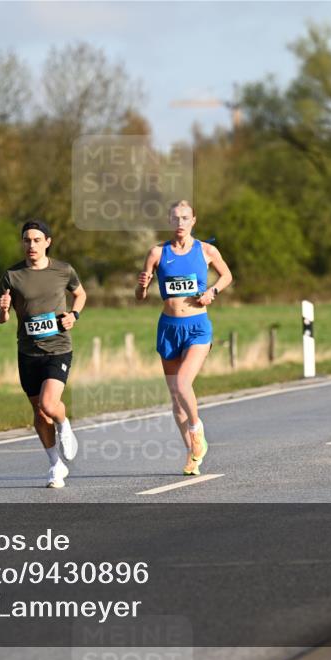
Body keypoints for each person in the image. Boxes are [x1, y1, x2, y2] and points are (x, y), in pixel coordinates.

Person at [135, 200, 233, 476]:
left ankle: (195, 427)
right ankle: (193, 453)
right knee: (175, 398)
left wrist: (212, 292)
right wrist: (141, 287)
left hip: (197, 326)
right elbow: (140, 296)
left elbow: (226, 275)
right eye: (175, 218)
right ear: (169, 221)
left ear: (193, 221)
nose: (180, 223)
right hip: (168, 327)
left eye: (185, 218)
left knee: (182, 382)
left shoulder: (206, 250)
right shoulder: (156, 253)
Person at [0, 219, 87, 488]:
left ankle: (64, 423)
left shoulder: (63, 270)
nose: (31, 245)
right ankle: (55, 465)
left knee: (49, 405)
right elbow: (1, 317)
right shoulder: (12, 276)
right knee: (38, 413)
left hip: (58, 348)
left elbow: (80, 294)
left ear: (48, 242)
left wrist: (74, 315)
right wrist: (2, 309)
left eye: (37, 240)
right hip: (27, 352)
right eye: (27, 240)